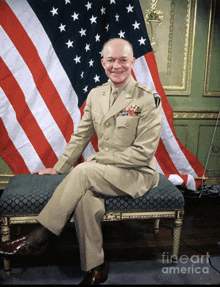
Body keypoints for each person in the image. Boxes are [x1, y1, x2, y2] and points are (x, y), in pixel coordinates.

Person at [0, 38, 162, 285]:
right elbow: (81, 135)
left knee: (85, 171)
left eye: (123, 60)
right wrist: (59, 167)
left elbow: (143, 153)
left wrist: (100, 158)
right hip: (105, 172)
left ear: (133, 62)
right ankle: (97, 268)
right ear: (102, 63)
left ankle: (39, 236)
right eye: (110, 60)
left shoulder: (147, 98)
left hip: (136, 173)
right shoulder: (96, 95)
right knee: (85, 199)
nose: (116, 66)